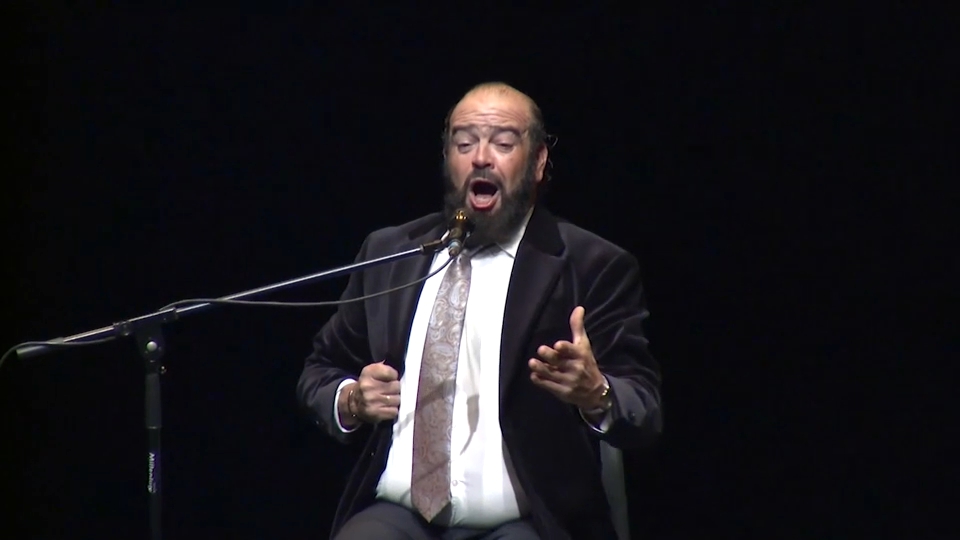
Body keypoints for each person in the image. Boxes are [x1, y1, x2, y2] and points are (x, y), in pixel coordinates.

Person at [296, 82, 662, 540]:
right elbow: (320, 369)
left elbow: (643, 407)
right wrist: (351, 398)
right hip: (399, 515)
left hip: (525, 521)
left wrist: (596, 394)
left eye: (504, 143)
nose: (481, 158)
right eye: (464, 143)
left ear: (539, 162)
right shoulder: (391, 253)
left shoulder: (592, 265)